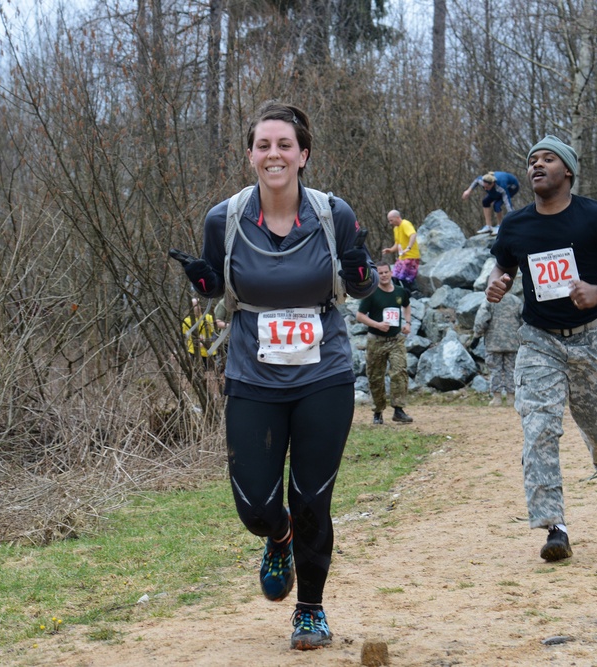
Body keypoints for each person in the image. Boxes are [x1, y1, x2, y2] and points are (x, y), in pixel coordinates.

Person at [174, 100, 377, 651]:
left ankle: (309, 611)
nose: (274, 154)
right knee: (255, 506)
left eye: (284, 144)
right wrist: (202, 281)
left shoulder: (334, 214)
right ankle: (277, 536)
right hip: (252, 376)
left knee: (313, 496)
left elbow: (358, 282)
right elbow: (217, 286)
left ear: (303, 154)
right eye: (263, 145)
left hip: (324, 375)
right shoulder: (226, 218)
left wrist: (363, 276)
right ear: (250, 156)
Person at [485, 135, 597, 562]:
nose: (537, 165)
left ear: (568, 171)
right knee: (539, 429)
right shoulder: (515, 225)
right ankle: (554, 526)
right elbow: (502, 265)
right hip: (539, 342)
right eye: (532, 160)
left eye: (548, 159)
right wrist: (496, 283)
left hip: (595, 340)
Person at [356, 262, 414, 425]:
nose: (383, 275)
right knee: (375, 376)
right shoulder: (372, 293)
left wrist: (407, 323)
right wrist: (377, 324)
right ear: (377, 275)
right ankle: (378, 411)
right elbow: (360, 315)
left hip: (396, 339)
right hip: (376, 340)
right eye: (380, 273)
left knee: (399, 371)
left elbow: (407, 306)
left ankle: (398, 410)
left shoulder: (400, 291)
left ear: (391, 273)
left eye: (386, 272)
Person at [473, 290, 523, 406]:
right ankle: (511, 398)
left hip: (493, 342)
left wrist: (476, 335)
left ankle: (497, 398)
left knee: (495, 370)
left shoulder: (490, 300)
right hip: (513, 342)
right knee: (512, 369)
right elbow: (524, 320)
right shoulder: (516, 301)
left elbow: (481, 319)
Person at [182, 297, 224, 395]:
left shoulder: (208, 318)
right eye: (195, 306)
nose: (198, 308)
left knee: (212, 376)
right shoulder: (186, 321)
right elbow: (185, 338)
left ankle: (214, 397)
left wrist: (205, 341)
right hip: (194, 353)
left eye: (198, 305)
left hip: (209, 353)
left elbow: (216, 335)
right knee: (194, 375)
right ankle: (193, 395)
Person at [381, 210, 421, 294]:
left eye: (391, 220)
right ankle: (400, 293)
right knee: (393, 276)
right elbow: (398, 243)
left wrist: (409, 247)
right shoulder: (396, 229)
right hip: (402, 257)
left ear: (397, 218)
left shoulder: (405, 224)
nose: (390, 223)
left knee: (404, 277)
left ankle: (413, 293)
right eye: (389, 221)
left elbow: (413, 234)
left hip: (411, 256)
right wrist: (391, 250)